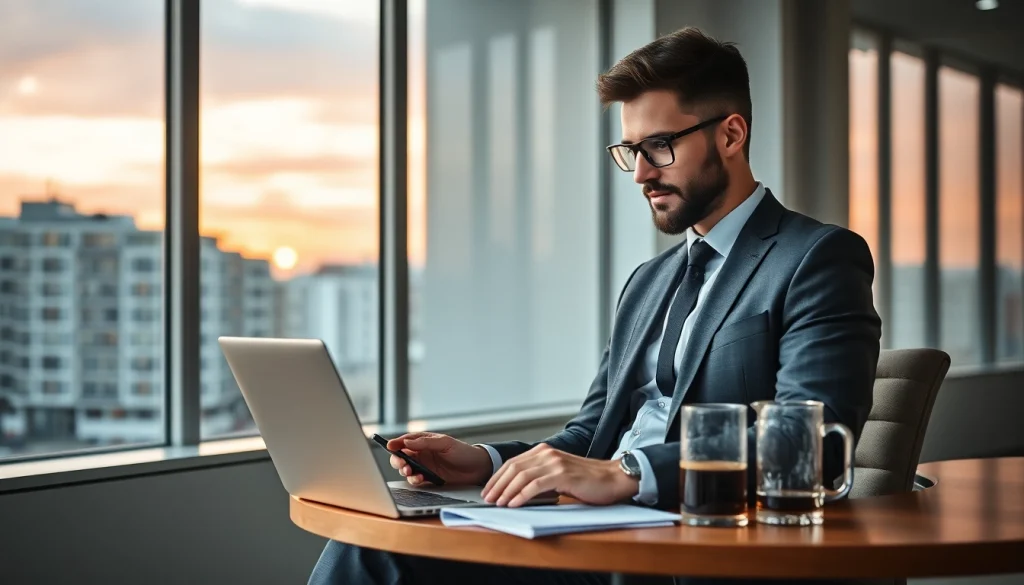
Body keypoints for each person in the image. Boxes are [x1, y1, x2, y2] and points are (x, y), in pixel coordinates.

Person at [309, 26, 881, 585]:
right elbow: (591, 436)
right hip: (590, 535)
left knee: (376, 557)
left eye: (660, 146)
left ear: (731, 135)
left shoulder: (817, 257)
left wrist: (630, 473)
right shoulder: (648, 282)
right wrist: (483, 462)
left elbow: (810, 443)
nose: (640, 174)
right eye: (631, 150)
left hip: (693, 548)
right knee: (371, 539)